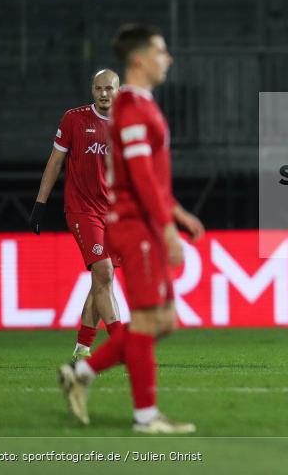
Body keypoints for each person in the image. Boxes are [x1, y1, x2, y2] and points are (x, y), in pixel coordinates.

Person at [58, 24, 205, 434]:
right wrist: (167, 228)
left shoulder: (137, 105)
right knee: (146, 322)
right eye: (160, 52)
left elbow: (149, 176)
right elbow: (140, 176)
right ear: (139, 60)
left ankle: (81, 373)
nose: (167, 59)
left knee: (164, 320)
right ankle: (145, 417)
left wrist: (176, 212)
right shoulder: (135, 109)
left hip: (144, 222)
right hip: (137, 227)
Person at [31, 69, 125, 361]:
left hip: (115, 213)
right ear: (92, 90)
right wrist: (40, 203)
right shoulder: (74, 119)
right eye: (98, 88)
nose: (103, 93)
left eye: (109, 88)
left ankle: (82, 347)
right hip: (82, 209)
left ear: (119, 91)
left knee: (101, 281)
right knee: (104, 272)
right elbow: (55, 161)